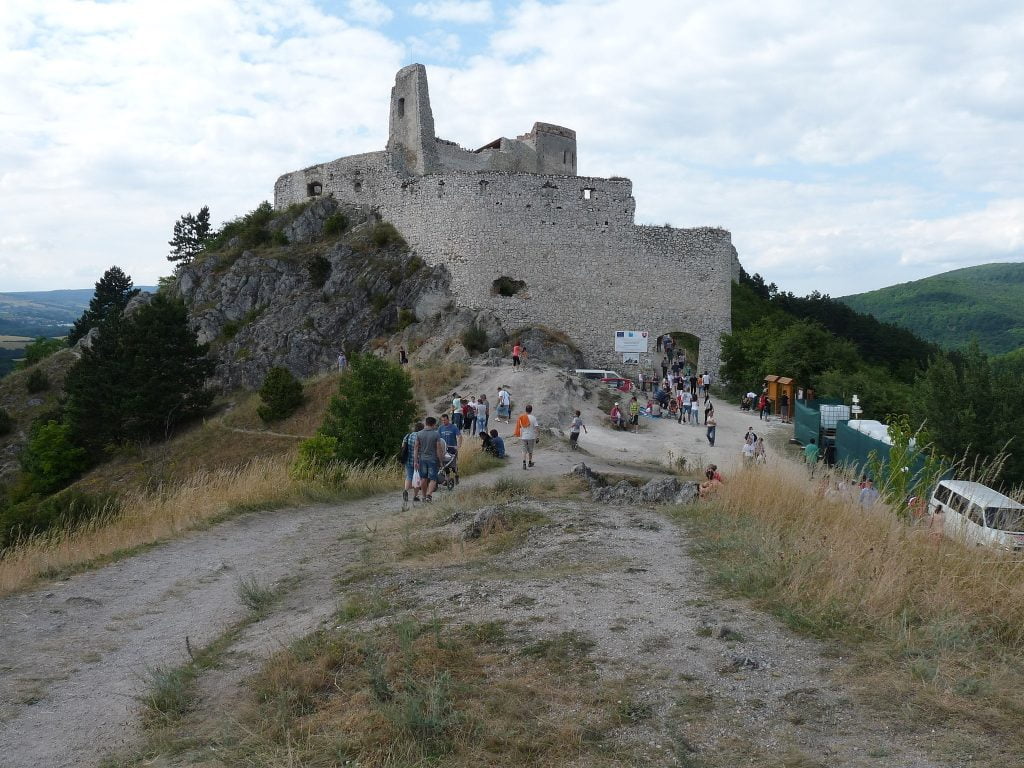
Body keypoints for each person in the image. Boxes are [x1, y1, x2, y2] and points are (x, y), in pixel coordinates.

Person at [413, 417, 446, 503]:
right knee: (433, 479)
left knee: (423, 478)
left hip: (422, 459)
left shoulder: (419, 434)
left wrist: (415, 461)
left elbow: (416, 448)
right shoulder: (436, 434)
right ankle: (429, 495)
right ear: (433, 424)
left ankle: (423, 496)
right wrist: (441, 461)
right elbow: (438, 449)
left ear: (426, 423)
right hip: (432, 459)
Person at [401, 421, 424, 502]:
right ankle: (415, 496)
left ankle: (405, 491)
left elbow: (403, 446)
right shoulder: (421, 436)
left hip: (408, 460)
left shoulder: (408, 435)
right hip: (418, 461)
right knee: (418, 477)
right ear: (422, 429)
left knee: (409, 476)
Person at [438, 413, 462, 483]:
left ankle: (456, 475)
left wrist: (458, 445)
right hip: (444, 449)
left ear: (448, 419)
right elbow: (438, 438)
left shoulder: (453, 427)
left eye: (444, 420)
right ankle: (447, 479)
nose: (443, 422)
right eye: (442, 420)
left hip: (452, 449)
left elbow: (459, 436)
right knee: (445, 465)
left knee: (453, 465)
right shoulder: (440, 428)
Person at [513, 403, 539, 469]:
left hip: (524, 436)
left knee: (524, 450)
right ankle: (530, 462)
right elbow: (536, 428)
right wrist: (537, 437)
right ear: (531, 410)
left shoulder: (521, 418)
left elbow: (520, 427)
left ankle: (524, 463)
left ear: (525, 410)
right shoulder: (533, 418)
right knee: (530, 450)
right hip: (531, 436)